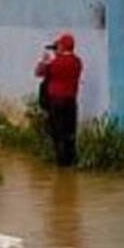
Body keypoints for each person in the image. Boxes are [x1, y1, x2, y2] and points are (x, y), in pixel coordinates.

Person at [35, 33, 82, 167]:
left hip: (56, 102)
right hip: (71, 102)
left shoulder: (54, 63)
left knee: (57, 132)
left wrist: (44, 60)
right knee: (70, 132)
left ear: (61, 46)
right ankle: (71, 160)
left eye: (58, 46)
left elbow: (38, 72)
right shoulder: (77, 62)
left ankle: (61, 163)